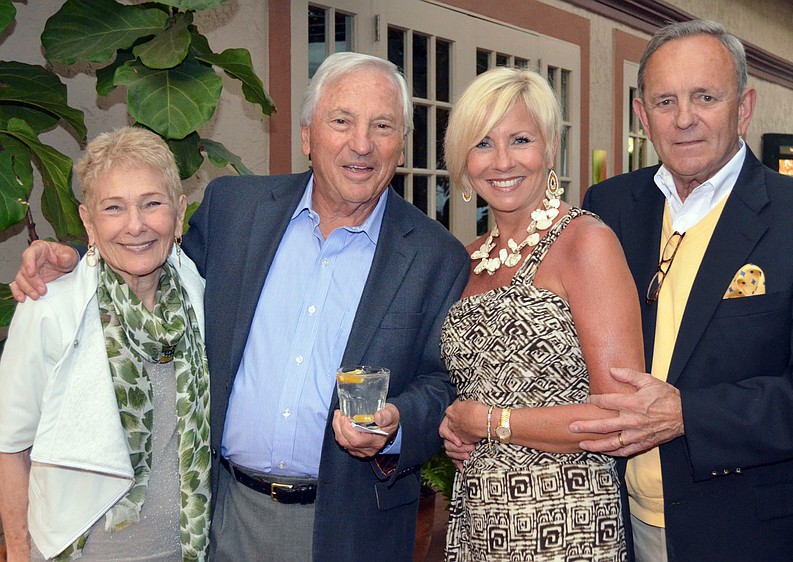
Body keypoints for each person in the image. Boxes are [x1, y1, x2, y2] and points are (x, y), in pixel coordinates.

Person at [10, 52, 469, 562]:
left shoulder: (435, 256)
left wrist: (397, 421)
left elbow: (442, 382)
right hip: (224, 516)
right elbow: (154, 256)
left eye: (381, 126)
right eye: (341, 121)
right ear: (307, 136)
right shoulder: (235, 208)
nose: (361, 144)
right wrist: (73, 256)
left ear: (400, 144)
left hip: (351, 526)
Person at [574, 19, 793, 562]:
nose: (684, 119)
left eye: (705, 97)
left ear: (743, 108)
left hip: (746, 531)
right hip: (612, 522)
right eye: (666, 101)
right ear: (642, 115)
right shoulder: (608, 206)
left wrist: (689, 414)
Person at [438, 67, 644, 561]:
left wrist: (489, 421)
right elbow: (471, 387)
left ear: (550, 148)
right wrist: (453, 424)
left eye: (521, 140)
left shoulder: (585, 242)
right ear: (463, 158)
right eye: (482, 143)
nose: (502, 161)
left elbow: (619, 414)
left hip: (566, 521)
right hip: (478, 521)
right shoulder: (465, 260)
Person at [0, 127, 210, 561]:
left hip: (185, 549)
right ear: (88, 222)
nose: (135, 225)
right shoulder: (50, 308)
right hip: (81, 551)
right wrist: (17, 552)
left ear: (179, 213)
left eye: (152, 203)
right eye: (113, 208)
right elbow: (9, 444)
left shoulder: (197, 292)